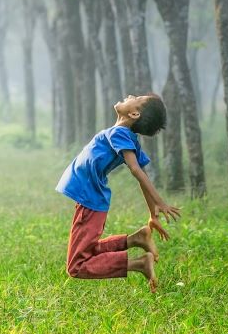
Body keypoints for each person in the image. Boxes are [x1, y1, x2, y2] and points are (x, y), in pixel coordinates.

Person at [55, 94, 181, 292]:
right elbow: (142, 172)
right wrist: (152, 214)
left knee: (76, 266)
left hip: (90, 200)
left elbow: (136, 170)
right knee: (87, 251)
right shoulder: (125, 135)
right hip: (90, 199)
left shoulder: (120, 133)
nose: (130, 95)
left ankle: (139, 264)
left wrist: (159, 201)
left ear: (134, 113)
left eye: (137, 98)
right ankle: (135, 239)